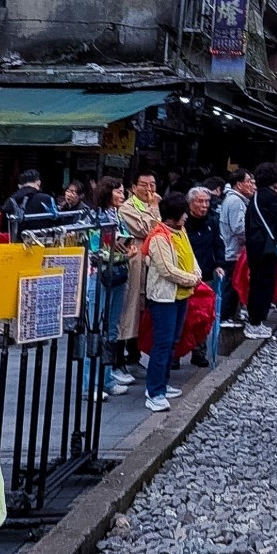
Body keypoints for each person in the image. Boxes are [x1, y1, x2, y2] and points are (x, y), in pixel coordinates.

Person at [143, 192, 201, 411]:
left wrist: (196, 273)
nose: (186, 216)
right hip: (164, 297)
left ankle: (163, 385)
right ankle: (154, 391)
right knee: (163, 343)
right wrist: (192, 279)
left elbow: (190, 256)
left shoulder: (180, 231)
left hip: (181, 295)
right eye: (184, 212)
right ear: (175, 215)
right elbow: (167, 269)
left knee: (172, 342)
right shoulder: (159, 236)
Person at [89, 176, 134, 393]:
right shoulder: (95, 216)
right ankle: (91, 384)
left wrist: (128, 251)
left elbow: (125, 240)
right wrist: (122, 254)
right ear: (107, 191)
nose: (122, 194)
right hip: (100, 274)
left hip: (117, 273)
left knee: (111, 329)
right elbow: (96, 249)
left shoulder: (117, 215)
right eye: (118, 190)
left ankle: (106, 379)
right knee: (96, 328)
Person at [244, 162, 277, 339]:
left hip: (255, 246)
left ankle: (255, 321)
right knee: (264, 286)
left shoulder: (256, 196)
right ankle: (256, 323)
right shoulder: (271, 197)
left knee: (256, 285)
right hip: (267, 249)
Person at [116, 172, 161, 364]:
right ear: (133, 188)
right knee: (129, 309)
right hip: (135, 263)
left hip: (149, 264)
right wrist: (153, 207)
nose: (149, 189)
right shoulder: (127, 208)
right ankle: (120, 357)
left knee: (142, 309)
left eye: (152, 184)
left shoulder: (154, 206)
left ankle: (134, 353)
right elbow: (148, 230)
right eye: (144, 184)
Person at [185, 185, 226, 364]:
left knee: (202, 315)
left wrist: (219, 264)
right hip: (185, 273)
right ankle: (177, 353)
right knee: (184, 316)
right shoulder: (183, 222)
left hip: (206, 272)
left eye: (207, 201)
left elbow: (218, 244)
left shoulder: (212, 220)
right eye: (200, 201)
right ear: (190, 203)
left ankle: (199, 352)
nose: (204, 205)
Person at [219, 167, 255, 326]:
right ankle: (225, 316)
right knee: (232, 284)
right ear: (239, 184)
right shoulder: (235, 201)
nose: (251, 185)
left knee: (234, 282)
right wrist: (254, 237)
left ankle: (231, 313)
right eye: (248, 182)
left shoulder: (237, 199)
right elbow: (239, 227)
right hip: (233, 249)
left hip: (234, 249)